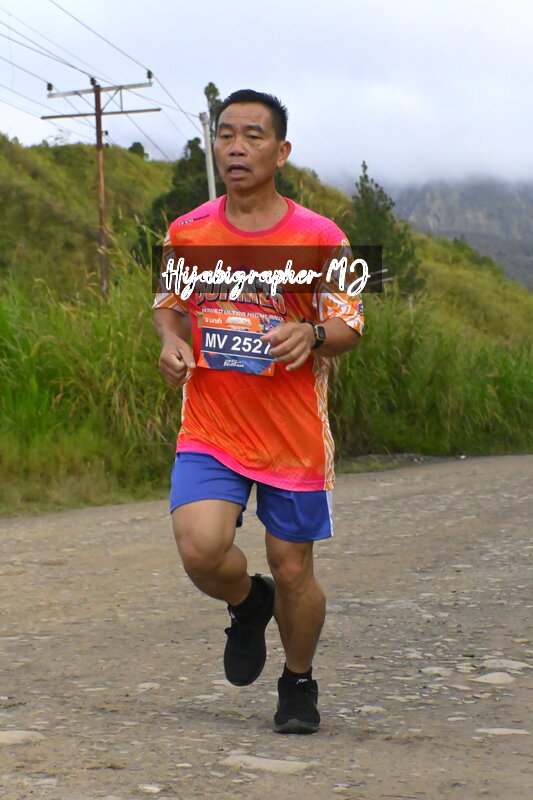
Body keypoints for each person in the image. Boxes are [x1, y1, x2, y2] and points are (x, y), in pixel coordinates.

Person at [153, 89, 364, 733]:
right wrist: (171, 342)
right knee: (200, 548)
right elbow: (170, 306)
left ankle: (298, 682)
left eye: (253, 135)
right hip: (211, 424)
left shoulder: (322, 237)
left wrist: (314, 334)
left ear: (281, 150)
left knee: (292, 567)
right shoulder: (188, 231)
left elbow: (351, 324)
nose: (237, 147)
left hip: (291, 433)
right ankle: (249, 604)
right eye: (226, 135)